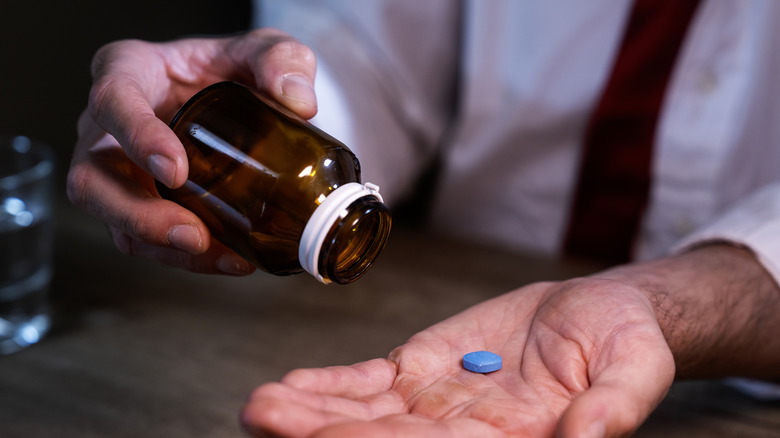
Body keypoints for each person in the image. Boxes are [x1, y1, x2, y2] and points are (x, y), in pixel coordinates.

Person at [67, 1, 780, 436]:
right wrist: (255, 125)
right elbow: (370, 53)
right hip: (460, 289)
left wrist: (662, 304)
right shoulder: (326, 179)